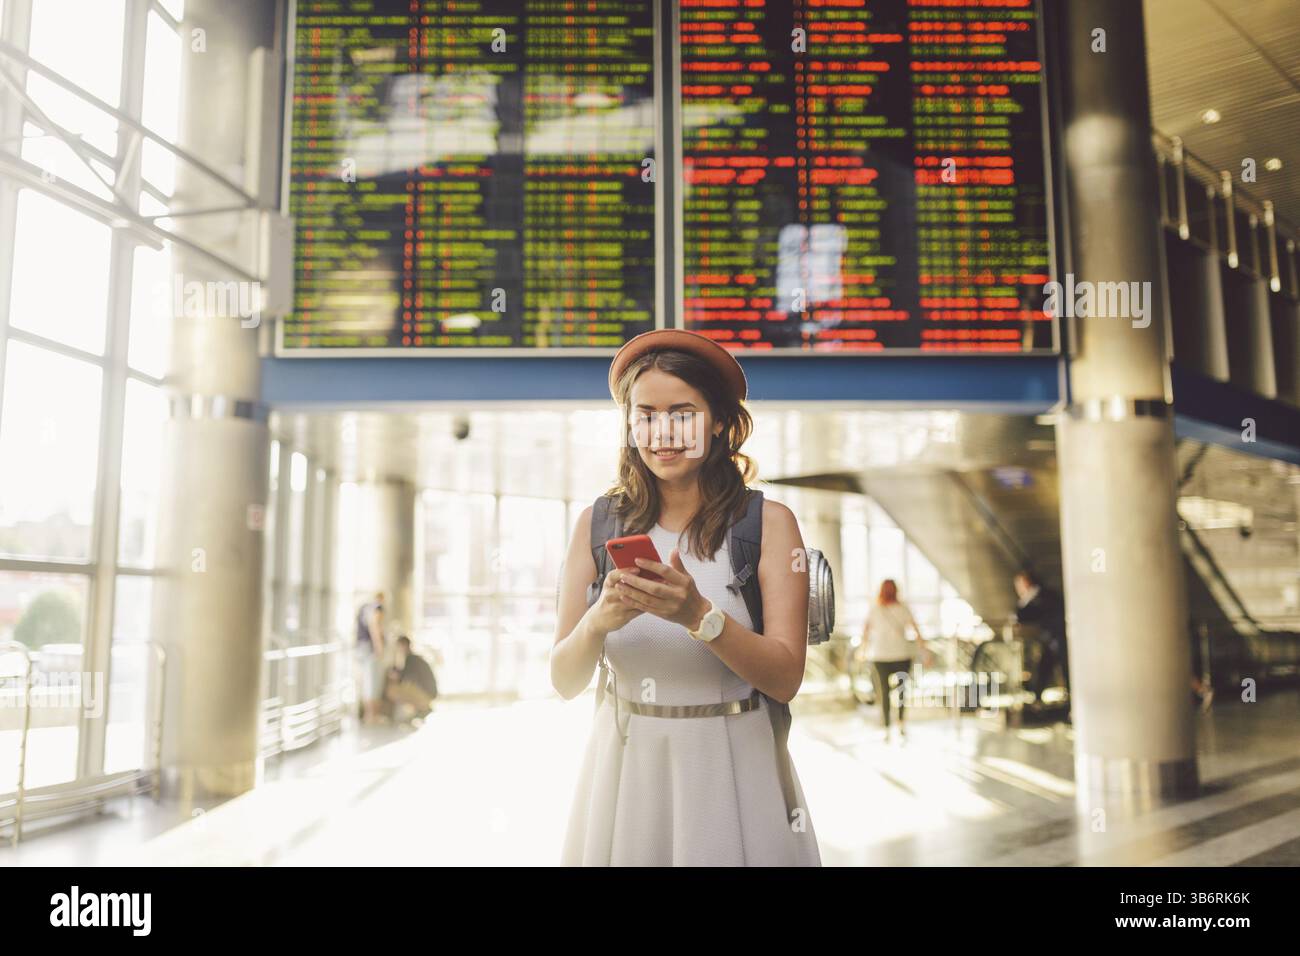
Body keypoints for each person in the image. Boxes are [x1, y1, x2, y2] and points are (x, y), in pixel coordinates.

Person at [551, 328, 821, 866]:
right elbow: (564, 680)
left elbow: (785, 678)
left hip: (733, 766)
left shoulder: (766, 525)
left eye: (682, 413)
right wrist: (598, 621)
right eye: (646, 414)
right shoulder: (596, 525)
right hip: (626, 769)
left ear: (719, 422)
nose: (663, 432)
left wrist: (699, 616)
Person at [861, 579, 927, 741]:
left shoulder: (875, 609)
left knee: (883, 692)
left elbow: (865, 632)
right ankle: (901, 723)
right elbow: (916, 630)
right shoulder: (903, 608)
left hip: (879, 656)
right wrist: (924, 652)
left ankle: (886, 727)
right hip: (901, 655)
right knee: (902, 690)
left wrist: (862, 652)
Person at [1012, 569, 1069, 701]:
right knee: (1045, 669)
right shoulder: (1044, 595)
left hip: (1058, 638)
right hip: (1052, 640)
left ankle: (1038, 701)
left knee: (1061, 669)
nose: (1018, 589)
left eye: (1019, 585)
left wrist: (1024, 599)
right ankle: (1037, 699)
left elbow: (1022, 615)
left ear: (1026, 583)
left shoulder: (1040, 596)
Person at [384, 636, 438, 724]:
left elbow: (403, 678)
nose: (397, 649)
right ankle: (421, 708)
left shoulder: (411, 659)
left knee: (392, 690)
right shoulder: (413, 658)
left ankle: (423, 707)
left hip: (426, 692)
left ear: (404, 645)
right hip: (429, 691)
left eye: (398, 646)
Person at [355, 591, 387, 724]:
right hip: (370, 649)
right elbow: (375, 627)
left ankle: (368, 715)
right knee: (373, 682)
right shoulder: (377, 608)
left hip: (361, 648)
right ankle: (372, 715)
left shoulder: (364, 607)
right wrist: (379, 647)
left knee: (366, 681)